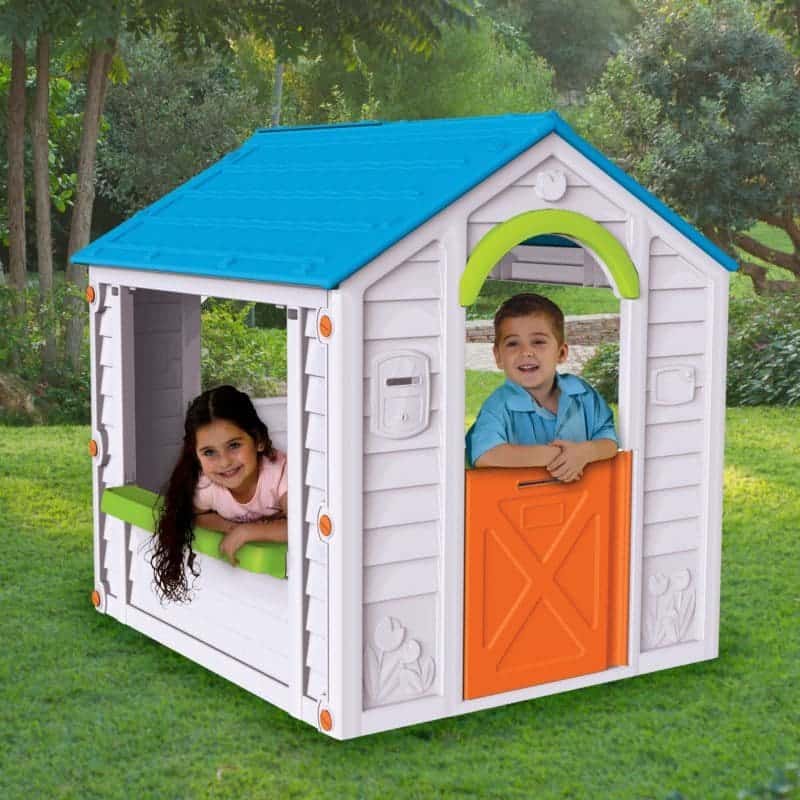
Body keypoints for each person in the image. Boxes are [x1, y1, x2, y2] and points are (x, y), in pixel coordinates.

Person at [151, 385, 288, 602]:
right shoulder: (207, 486)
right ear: (196, 456)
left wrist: (247, 532)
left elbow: (300, 528)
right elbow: (192, 515)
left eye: (234, 445)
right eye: (209, 452)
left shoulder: (279, 473)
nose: (224, 462)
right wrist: (230, 528)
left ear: (259, 440)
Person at [466, 293, 618, 481]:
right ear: (498, 356)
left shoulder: (582, 393)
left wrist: (585, 452)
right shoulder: (499, 405)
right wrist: (557, 456)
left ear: (561, 353)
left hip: (582, 504)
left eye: (538, 342)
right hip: (520, 505)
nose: (526, 352)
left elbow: (610, 441)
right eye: (513, 343)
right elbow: (485, 454)